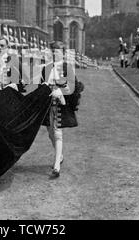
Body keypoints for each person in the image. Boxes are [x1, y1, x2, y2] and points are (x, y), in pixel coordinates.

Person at [42, 41, 82, 178]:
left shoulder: (67, 67)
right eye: (52, 51)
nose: (54, 54)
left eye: (57, 51)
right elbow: (41, 84)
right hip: (47, 103)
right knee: (50, 132)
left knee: (57, 132)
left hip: (59, 104)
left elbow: (73, 86)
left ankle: (56, 165)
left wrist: (60, 91)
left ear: (63, 53)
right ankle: (60, 156)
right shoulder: (46, 68)